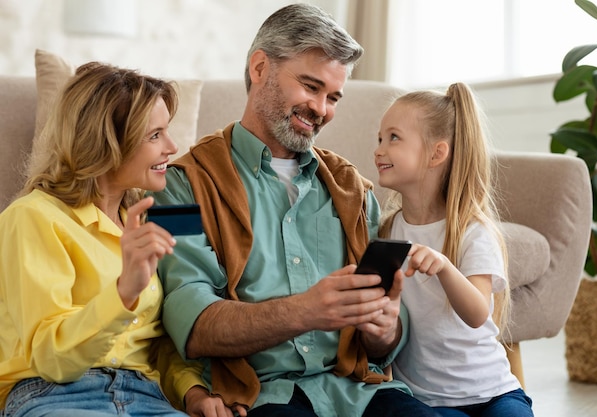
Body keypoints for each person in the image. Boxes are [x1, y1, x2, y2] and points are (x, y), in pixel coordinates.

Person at [151, 3, 438, 417]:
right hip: (259, 398)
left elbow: (389, 334)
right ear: (259, 68)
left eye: (333, 96)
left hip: (359, 393)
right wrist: (304, 311)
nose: (321, 109)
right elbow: (190, 324)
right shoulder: (178, 185)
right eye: (310, 86)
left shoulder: (353, 188)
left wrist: (385, 328)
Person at [0, 62, 241, 417]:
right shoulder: (33, 217)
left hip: (147, 398)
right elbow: (51, 359)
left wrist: (193, 393)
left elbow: (159, 342)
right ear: (108, 143)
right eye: (155, 135)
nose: (172, 147)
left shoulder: (145, 223)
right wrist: (124, 291)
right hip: (55, 396)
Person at [375, 83, 534, 416]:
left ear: (437, 153)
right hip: (423, 398)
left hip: (492, 393)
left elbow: (478, 313)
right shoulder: (387, 231)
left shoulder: (471, 231)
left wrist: (445, 267)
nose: (379, 149)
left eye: (393, 137)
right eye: (379, 138)